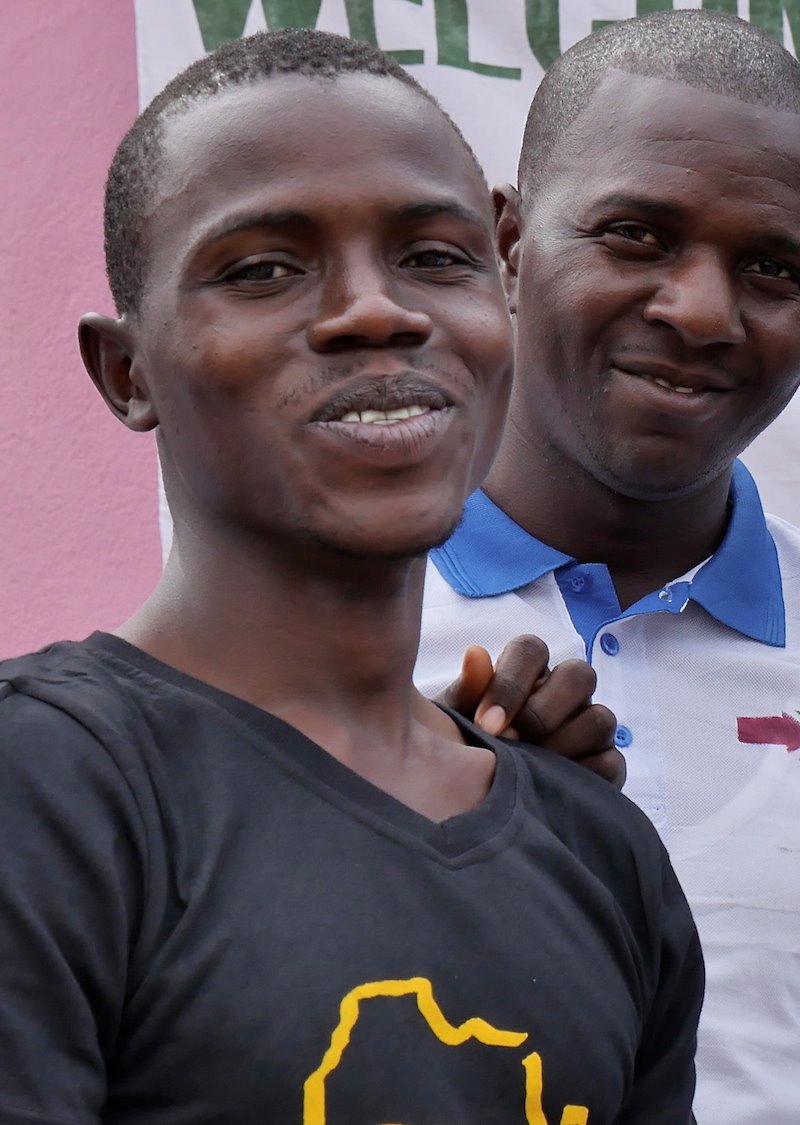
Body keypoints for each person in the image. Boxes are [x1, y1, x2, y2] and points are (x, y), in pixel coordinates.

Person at [0, 29, 702, 1120]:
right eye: (264, 270)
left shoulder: (598, 852)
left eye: (433, 256)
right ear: (128, 370)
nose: (378, 311)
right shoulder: (51, 796)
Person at [413, 12, 800, 1125]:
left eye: (771, 268)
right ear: (504, 243)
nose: (700, 312)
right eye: (636, 235)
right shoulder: (339, 635)